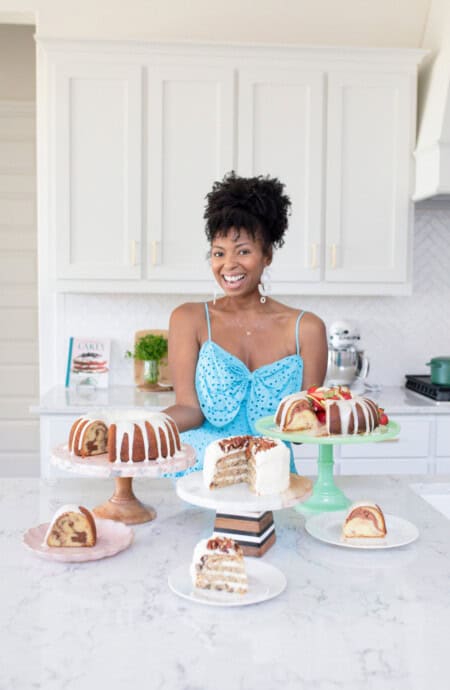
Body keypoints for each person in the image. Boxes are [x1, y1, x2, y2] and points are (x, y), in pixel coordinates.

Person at [164, 171, 328, 474]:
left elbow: (306, 431)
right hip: (200, 474)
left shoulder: (307, 329)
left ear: (267, 255)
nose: (229, 264)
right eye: (218, 253)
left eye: (243, 251)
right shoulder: (189, 319)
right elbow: (189, 410)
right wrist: (142, 427)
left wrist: (338, 415)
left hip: (273, 479)